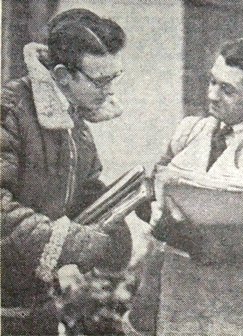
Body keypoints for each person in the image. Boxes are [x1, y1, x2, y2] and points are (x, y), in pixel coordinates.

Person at [124, 38, 243, 335]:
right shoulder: (190, 131)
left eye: (228, 89)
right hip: (172, 296)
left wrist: (180, 232)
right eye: (212, 81)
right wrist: (148, 205)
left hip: (234, 307)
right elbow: (150, 189)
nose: (212, 95)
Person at [1, 9, 132, 335]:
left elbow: (81, 185)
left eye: (113, 78)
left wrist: (114, 217)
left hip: (34, 299)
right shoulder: (10, 110)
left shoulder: (74, 123)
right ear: (61, 75)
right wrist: (72, 241)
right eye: (100, 81)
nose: (109, 91)